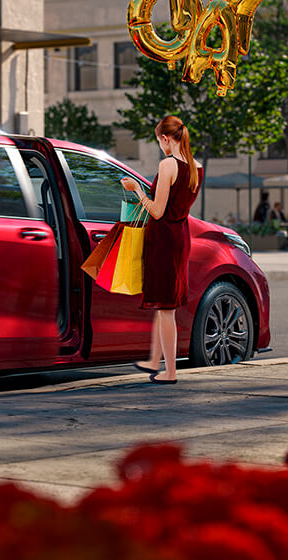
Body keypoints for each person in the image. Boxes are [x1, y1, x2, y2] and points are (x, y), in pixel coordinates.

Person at [121, 114, 202, 385]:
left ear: (166, 138)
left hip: (164, 241)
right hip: (180, 237)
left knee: (166, 309)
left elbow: (157, 211)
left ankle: (170, 372)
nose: (160, 147)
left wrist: (136, 190)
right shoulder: (196, 167)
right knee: (164, 304)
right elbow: (174, 205)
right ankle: (155, 361)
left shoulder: (168, 164)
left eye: (159, 142)